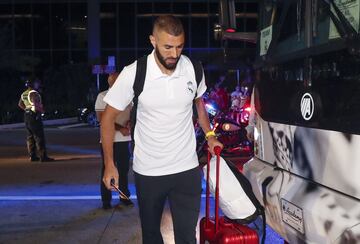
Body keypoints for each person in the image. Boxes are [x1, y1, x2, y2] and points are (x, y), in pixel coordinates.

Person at [101, 15, 223, 244]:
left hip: (186, 169)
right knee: (151, 236)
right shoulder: (134, 73)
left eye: (179, 47)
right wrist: (110, 164)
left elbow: (198, 103)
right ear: (153, 41)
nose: (174, 54)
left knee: (188, 237)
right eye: (168, 47)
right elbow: (107, 118)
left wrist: (210, 135)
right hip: (149, 171)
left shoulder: (193, 69)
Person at [95, 72, 133, 210]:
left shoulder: (128, 96)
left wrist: (130, 123)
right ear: (110, 83)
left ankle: (124, 197)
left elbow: (133, 113)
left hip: (124, 140)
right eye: (116, 81)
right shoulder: (103, 96)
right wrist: (121, 128)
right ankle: (106, 201)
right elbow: (101, 119)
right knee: (107, 169)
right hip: (108, 140)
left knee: (123, 171)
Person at [18, 78, 54, 162]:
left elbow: (20, 104)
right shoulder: (34, 93)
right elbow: (35, 103)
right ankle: (43, 156)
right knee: (39, 137)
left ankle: (32, 156)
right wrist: (42, 111)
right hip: (34, 116)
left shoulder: (24, 94)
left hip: (27, 116)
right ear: (33, 85)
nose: (38, 84)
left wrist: (27, 109)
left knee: (30, 137)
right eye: (37, 83)